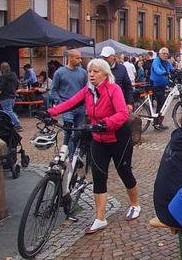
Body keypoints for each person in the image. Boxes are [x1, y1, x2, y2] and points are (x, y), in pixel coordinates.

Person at [46, 59, 139, 234]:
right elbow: (71, 102)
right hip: (99, 138)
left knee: (124, 171)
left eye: (95, 71)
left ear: (105, 73)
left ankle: (135, 204)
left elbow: (123, 114)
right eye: (90, 71)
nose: (91, 75)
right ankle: (100, 218)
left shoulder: (113, 89)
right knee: (98, 176)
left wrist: (105, 123)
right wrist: (50, 112)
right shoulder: (88, 91)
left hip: (119, 138)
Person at [50, 50, 88, 153]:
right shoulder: (59, 73)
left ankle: (77, 154)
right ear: (70, 58)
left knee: (79, 132)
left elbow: (86, 90)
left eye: (80, 58)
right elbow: (53, 90)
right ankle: (70, 157)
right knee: (69, 132)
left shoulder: (83, 73)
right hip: (67, 107)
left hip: (80, 108)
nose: (80, 60)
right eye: (77, 58)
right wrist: (60, 103)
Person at [100, 46, 134, 112]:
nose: (104, 59)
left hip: (119, 102)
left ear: (113, 56)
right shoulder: (100, 68)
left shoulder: (122, 68)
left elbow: (128, 86)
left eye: (106, 57)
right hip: (104, 103)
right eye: (103, 57)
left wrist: (129, 103)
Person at [150, 47, 175, 130]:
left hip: (162, 86)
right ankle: (157, 122)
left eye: (167, 54)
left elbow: (172, 69)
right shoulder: (156, 61)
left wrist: (176, 71)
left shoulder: (167, 62)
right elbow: (157, 69)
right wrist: (163, 72)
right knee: (161, 102)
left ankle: (158, 122)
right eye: (164, 53)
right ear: (159, 54)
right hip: (155, 85)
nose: (165, 55)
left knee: (163, 103)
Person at [0, 62, 23, 131]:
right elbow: (17, 85)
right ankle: (11, 124)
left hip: (5, 96)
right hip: (12, 96)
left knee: (8, 111)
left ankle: (17, 125)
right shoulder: (14, 75)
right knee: (10, 110)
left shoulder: (3, 77)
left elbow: (1, 88)